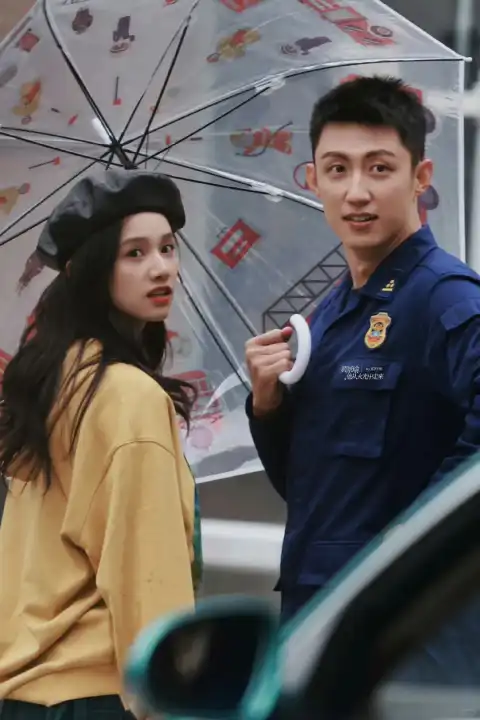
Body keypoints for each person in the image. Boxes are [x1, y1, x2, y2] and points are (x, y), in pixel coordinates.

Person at [245, 76, 480, 624]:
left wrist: (411, 549)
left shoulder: (447, 298)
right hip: (316, 612)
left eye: (379, 168)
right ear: (312, 180)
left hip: (402, 627)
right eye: (337, 169)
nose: (356, 192)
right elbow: (311, 489)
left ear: (420, 177)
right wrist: (268, 406)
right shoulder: (328, 316)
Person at [0, 169, 202, 719]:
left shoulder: (54, 378)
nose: (161, 268)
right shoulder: (128, 397)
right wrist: (173, 704)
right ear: (88, 270)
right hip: (97, 692)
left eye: (167, 248)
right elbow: (146, 578)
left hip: (26, 691)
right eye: (133, 253)